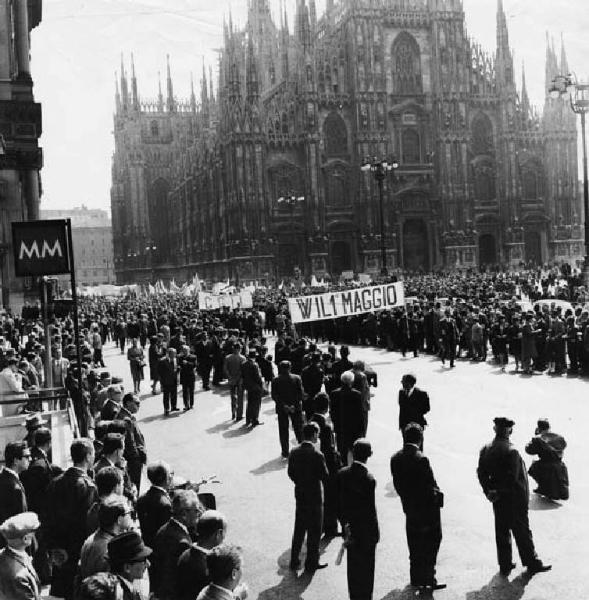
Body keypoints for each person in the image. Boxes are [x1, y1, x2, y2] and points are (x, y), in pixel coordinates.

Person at [477, 417, 552, 576]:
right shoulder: (512, 451)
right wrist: (500, 492)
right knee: (522, 531)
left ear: (494, 429)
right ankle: (532, 562)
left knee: (502, 530)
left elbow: (481, 473)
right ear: (509, 431)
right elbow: (513, 478)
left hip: (497, 499)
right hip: (515, 499)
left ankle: (505, 564)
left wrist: (489, 491)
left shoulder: (485, 449)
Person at [390, 423, 445, 590]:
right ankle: (429, 578)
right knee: (431, 542)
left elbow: (398, 485)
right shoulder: (421, 459)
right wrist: (438, 496)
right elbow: (429, 485)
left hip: (409, 507)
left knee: (413, 543)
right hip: (426, 510)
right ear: (420, 438)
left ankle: (416, 577)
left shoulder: (395, 458)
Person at [47, 438, 98, 600]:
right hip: (78, 551)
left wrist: (54, 546)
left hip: (60, 551)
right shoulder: (87, 486)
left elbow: (47, 517)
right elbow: (89, 522)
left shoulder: (55, 483)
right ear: (88, 456)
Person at [336, 439, 379, 600]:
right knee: (367, 572)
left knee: (353, 569)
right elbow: (370, 511)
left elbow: (338, 505)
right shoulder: (368, 479)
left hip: (350, 529)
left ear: (352, 453)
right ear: (369, 455)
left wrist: (344, 524)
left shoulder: (342, 474)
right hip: (366, 533)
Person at [287, 421, 329, 572]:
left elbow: (290, 473)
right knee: (314, 530)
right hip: (315, 496)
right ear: (314, 435)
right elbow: (325, 476)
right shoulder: (318, 455)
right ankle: (312, 562)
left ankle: (294, 560)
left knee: (299, 528)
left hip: (300, 493)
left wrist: (299, 481)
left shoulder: (294, 452)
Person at [150, 489, 204, 600]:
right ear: (184, 514)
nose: (199, 514)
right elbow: (177, 579)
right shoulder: (182, 543)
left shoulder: (165, 529)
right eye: (197, 511)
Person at [309, 391, 342, 537]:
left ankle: (321, 525)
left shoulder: (311, 421)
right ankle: (330, 527)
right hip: (328, 466)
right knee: (331, 498)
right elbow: (329, 450)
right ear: (327, 407)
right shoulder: (326, 427)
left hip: (313, 467)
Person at [79, 495, 133, 580]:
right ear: (119, 520)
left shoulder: (93, 538)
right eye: (129, 513)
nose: (131, 516)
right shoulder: (110, 549)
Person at [176, 510, 227, 600]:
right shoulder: (208, 568)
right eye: (224, 533)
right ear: (218, 534)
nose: (224, 538)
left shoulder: (185, 554)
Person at [0, 512, 41, 600]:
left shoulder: (5, 554)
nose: (34, 534)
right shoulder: (19, 577)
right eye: (33, 532)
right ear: (25, 539)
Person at [525, 418, 569, 501]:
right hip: (560, 464)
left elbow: (529, 450)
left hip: (546, 465)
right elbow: (564, 446)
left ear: (539, 427)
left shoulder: (539, 438)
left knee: (533, 468)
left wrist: (535, 435)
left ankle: (542, 487)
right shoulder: (558, 436)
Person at [136, 461, 173, 550]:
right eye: (169, 474)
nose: (171, 477)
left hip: (147, 548)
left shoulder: (141, 499)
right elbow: (166, 536)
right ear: (166, 478)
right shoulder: (165, 505)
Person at [271, 360, 303, 458]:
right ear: (290, 367)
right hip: (295, 407)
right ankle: (302, 448)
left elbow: (274, 396)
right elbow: (300, 393)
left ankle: (285, 451)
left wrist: (284, 405)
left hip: (282, 408)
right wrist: (293, 405)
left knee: (283, 430)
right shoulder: (297, 378)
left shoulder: (276, 380)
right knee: (298, 428)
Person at [330, 371, 364, 464]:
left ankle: (344, 466)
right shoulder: (356, 394)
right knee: (355, 450)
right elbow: (360, 413)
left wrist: (335, 423)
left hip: (340, 426)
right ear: (351, 381)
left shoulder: (334, 394)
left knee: (342, 450)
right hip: (354, 428)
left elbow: (332, 412)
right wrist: (362, 429)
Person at [107, 530, 152, 600]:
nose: (148, 564)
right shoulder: (120, 595)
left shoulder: (112, 587)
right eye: (143, 560)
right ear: (127, 568)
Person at [116, 393, 147, 493]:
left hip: (133, 457)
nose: (139, 406)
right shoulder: (125, 418)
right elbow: (130, 441)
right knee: (134, 485)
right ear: (128, 403)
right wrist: (137, 458)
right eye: (136, 403)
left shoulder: (126, 415)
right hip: (133, 459)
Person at [0, 441, 30, 527]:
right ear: (16, 460)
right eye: (27, 457)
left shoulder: (3, 477)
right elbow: (20, 524)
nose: (30, 459)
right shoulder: (14, 488)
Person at [398, 374, 430, 447]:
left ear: (409, 383)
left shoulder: (422, 394)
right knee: (406, 446)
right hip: (405, 425)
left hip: (417, 424)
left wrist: (414, 413)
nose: (401, 382)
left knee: (418, 446)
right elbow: (402, 408)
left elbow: (427, 408)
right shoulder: (401, 392)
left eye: (403, 381)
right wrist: (402, 425)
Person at [241, 349, 265, 427]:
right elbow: (258, 377)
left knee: (250, 402)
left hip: (248, 386)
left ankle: (248, 419)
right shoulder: (254, 365)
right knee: (256, 404)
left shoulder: (244, 364)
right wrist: (262, 385)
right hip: (256, 387)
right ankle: (255, 419)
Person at [224, 342, 246, 421]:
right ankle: (239, 414)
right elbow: (243, 371)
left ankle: (233, 412)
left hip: (231, 379)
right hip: (240, 380)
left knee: (233, 396)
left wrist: (229, 376)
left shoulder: (228, 357)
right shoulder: (243, 358)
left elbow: (225, 369)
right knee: (240, 397)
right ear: (239, 349)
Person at [158, 347, 180, 416]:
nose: (175, 355)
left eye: (175, 353)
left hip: (174, 380)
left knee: (174, 394)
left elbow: (176, 368)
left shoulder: (176, 359)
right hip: (166, 381)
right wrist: (161, 382)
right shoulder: (163, 360)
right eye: (174, 353)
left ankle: (173, 406)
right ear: (169, 354)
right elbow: (160, 372)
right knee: (166, 396)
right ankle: (166, 409)